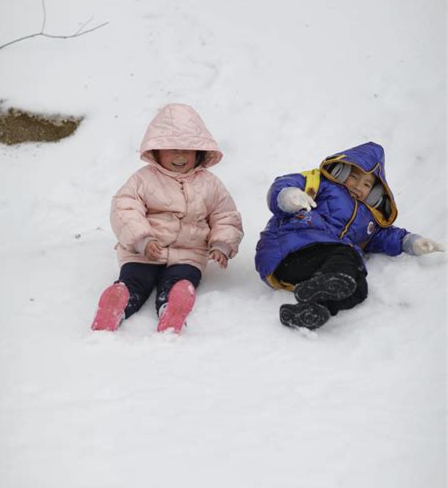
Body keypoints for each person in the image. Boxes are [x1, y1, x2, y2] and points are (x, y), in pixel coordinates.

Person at [255, 142, 444, 330]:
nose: (358, 186)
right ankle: (331, 280)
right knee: (347, 255)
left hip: (307, 270)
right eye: (353, 177)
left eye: (367, 184)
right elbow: (286, 183)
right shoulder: (322, 183)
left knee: (358, 288)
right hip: (291, 249)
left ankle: (312, 309)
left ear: (375, 191)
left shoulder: (369, 218)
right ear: (341, 171)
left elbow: (384, 235)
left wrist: (411, 242)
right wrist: (288, 196)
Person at [91, 103, 244, 333]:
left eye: (187, 149)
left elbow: (225, 215)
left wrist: (222, 244)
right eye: (172, 149)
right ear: (156, 150)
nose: (180, 155)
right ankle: (119, 302)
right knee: (136, 279)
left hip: (188, 254)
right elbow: (124, 208)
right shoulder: (143, 179)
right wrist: (142, 240)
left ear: (199, 151)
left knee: (180, 280)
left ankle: (173, 305)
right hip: (143, 252)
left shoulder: (210, 183)